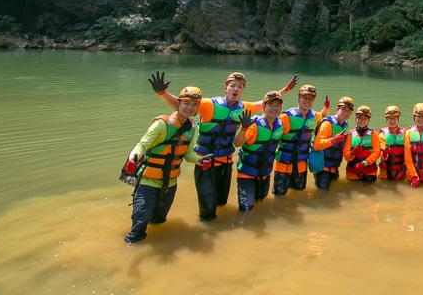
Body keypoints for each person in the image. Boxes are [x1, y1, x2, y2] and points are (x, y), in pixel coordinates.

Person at [148, 70, 298, 220]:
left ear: (242, 91)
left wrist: (287, 89)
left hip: (225, 163)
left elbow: (267, 101)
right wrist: (162, 93)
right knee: (208, 210)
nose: (236, 89)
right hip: (204, 162)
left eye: (240, 87)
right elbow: (182, 105)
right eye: (233, 85)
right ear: (225, 87)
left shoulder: (244, 107)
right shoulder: (209, 104)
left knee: (221, 203)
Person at [122, 86, 206, 244]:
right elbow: (142, 145)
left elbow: (188, 153)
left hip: (170, 184)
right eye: (186, 103)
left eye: (195, 105)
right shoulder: (161, 124)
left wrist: (200, 160)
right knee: (139, 225)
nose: (190, 107)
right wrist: (133, 158)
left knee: (159, 221)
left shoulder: (191, 128)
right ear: (178, 103)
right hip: (148, 183)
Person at [233, 90, 290, 212]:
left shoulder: (280, 124)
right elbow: (237, 143)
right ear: (263, 106)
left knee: (261, 204)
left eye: (277, 105)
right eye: (271, 105)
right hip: (247, 174)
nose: (274, 108)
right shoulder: (254, 123)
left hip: (265, 173)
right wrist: (243, 128)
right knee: (246, 209)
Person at [274, 84, 330, 195]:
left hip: (301, 165)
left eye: (311, 99)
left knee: (298, 195)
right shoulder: (286, 117)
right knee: (280, 197)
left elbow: (323, 115)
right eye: (304, 98)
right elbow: (272, 133)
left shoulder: (313, 115)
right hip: (284, 165)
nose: (307, 101)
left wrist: (327, 107)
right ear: (298, 97)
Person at [312, 95, 354, 189]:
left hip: (334, 166)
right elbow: (316, 145)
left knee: (335, 190)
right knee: (324, 194)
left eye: (349, 111)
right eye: (344, 110)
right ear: (337, 108)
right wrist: (333, 140)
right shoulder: (327, 124)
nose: (346, 113)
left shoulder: (345, 125)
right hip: (322, 167)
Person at [344, 105, 382, 181]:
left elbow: (377, 152)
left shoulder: (373, 133)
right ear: (356, 119)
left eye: (365, 118)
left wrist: (365, 163)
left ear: (368, 120)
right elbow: (345, 154)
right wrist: (352, 153)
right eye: (360, 118)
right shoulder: (350, 134)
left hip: (369, 171)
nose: (362, 121)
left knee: (369, 188)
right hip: (353, 171)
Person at [378, 105, 406, 181]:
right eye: (390, 118)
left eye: (395, 118)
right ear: (386, 120)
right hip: (385, 173)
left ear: (398, 119)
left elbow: (408, 155)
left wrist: (403, 171)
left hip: (400, 172)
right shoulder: (381, 136)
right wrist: (384, 154)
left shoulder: (405, 134)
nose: (392, 121)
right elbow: (381, 153)